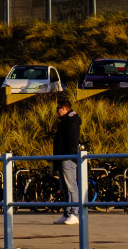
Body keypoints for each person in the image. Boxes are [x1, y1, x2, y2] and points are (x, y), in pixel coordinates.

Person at [52, 94, 82, 226]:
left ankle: (75, 213)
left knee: (71, 188)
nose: (57, 111)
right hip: (61, 158)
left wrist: (67, 155)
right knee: (65, 188)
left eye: (58, 108)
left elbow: (72, 141)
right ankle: (67, 213)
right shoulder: (65, 121)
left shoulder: (71, 121)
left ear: (64, 108)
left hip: (68, 158)